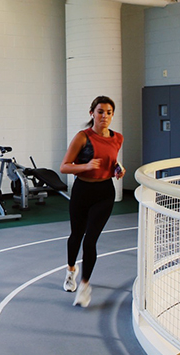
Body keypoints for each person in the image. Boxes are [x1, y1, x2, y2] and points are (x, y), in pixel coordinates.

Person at [60, 95, 125, 307]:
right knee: (76, 236)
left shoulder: (118, 138)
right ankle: (71, 270)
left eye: (108, 112)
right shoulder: (82, 137)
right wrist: (85, 167)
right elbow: (65, 167)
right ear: (92, 113)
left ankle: (85, 286)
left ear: (112, 115)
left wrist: (118, 168)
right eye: (100, 112)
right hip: (82, 191)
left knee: (90, 241)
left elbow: (112, 159)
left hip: (104, 192)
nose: (104, 116)